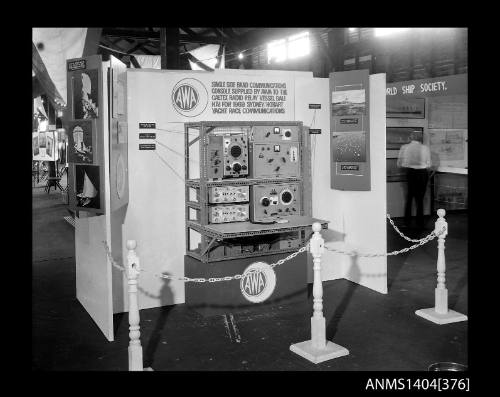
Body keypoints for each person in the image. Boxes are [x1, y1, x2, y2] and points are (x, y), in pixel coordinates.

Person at [397, 131, 432, 229]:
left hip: (410, 173)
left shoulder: (405, 147)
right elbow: (429, 164)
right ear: (420, 138)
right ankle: (420, 223)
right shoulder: (425, 148)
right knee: (420, 199)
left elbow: (399, 163)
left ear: (411, 137)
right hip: (422, 174)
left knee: (409, 198)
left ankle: (407, 222)